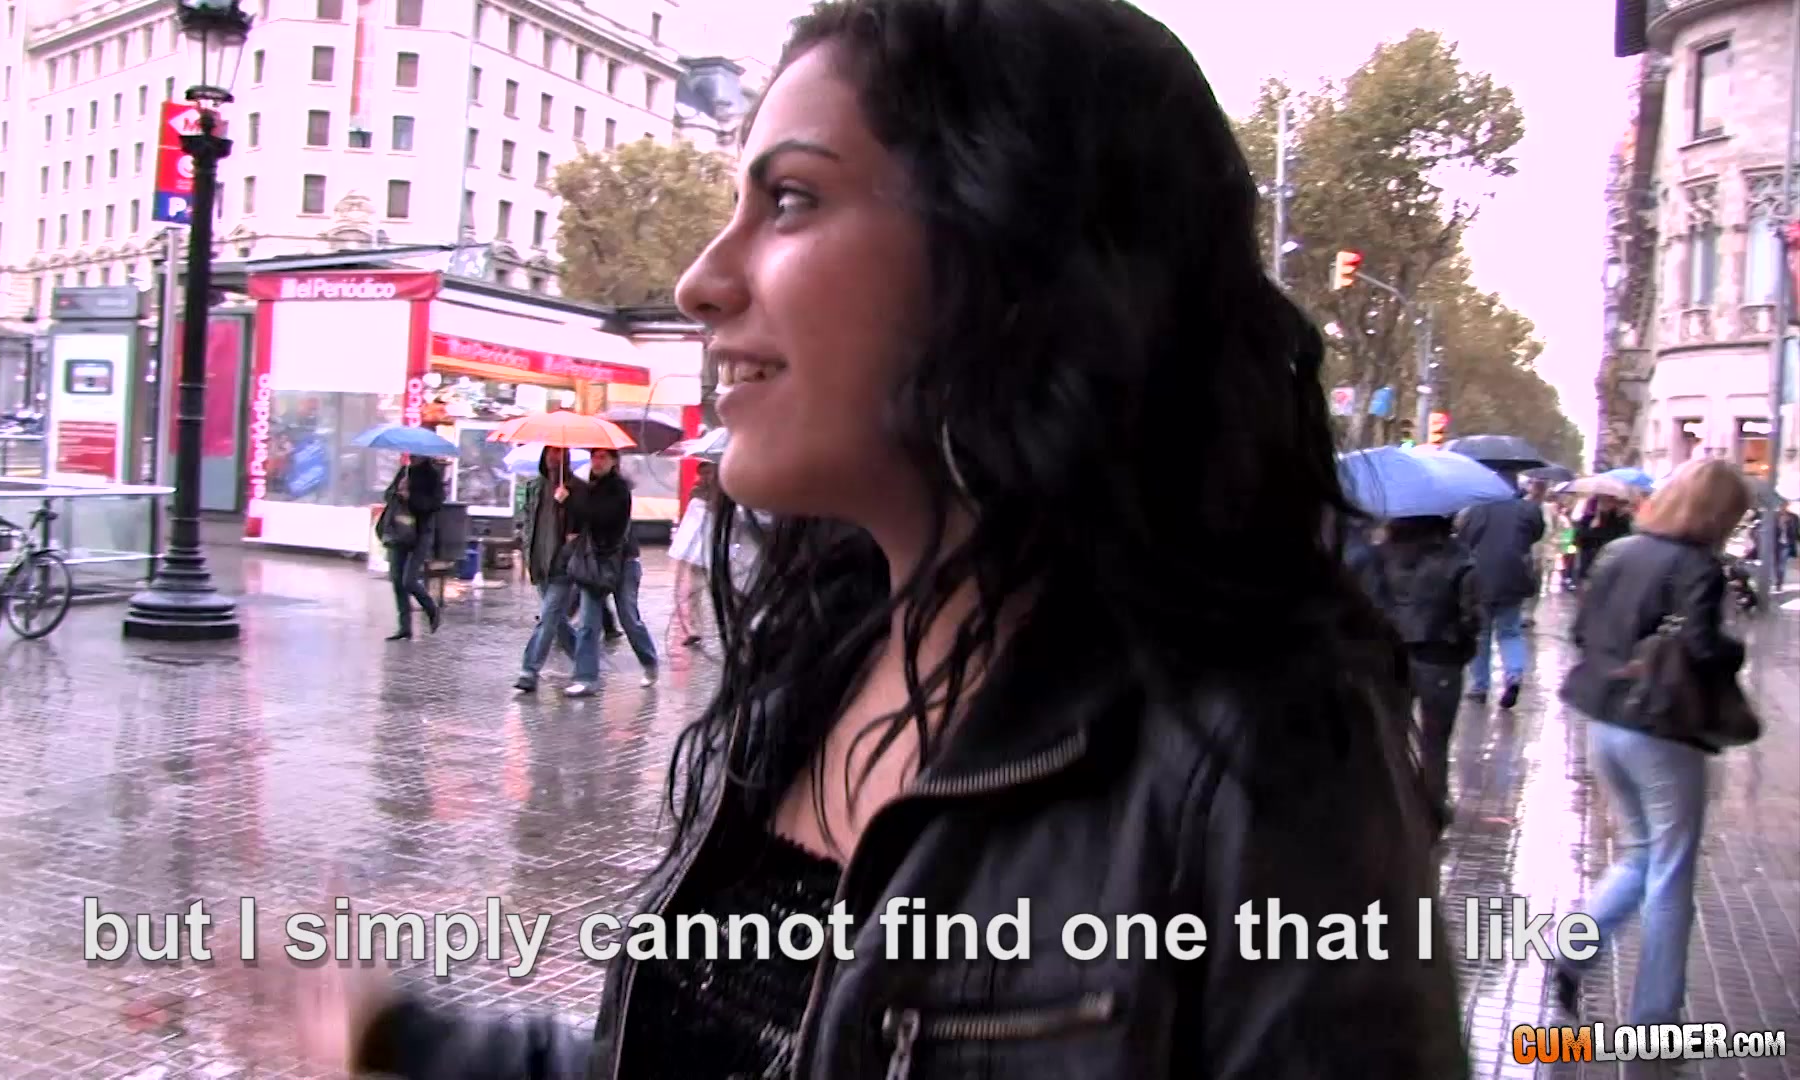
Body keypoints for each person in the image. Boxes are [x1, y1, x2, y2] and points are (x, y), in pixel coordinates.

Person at [296, 1, 1466, 1074]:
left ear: (1015, 250)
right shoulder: (818, 658)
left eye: (791, 200)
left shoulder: (1265, 752)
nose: (701, 280)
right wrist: (413, 1045)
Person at [1553, 458, 1752, 1028]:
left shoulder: (1620, 552)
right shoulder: (1699, 566)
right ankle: (1655, 1014)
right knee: (1670, 868)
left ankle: (1575, 949)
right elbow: (1704, 648)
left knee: (1644, 852)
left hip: (1605, 718)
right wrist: (1734, 649)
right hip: (1662, 728)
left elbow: (1582, 631)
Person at [1365, 515, 1479, 840]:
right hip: (1440, 659)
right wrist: (1460, 643)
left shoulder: (1382, 554)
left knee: (1392, 736)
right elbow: (1472, 616)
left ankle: (1390, 807)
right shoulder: (1459, 559)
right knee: (1435, 741)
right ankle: (1431, 809)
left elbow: (1372, 602)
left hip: (1392, 657)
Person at [565, 448, 659, 696]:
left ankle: (649, 661)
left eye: (602, 458)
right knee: (588, 624)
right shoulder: (586, 488)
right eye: (594, 457)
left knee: (628, 618)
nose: (596, 462)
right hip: (594, 563)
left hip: (623, 562)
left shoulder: (619, 489)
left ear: (614, 462)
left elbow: (603, 518)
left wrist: (573, 498)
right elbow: (579, 523)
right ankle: (586, 678)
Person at [1455, 476, 1546, 708]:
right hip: (1513, 576)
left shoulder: (1476, 510)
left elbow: (1464, 538)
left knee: (1481, 634)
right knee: (1510, 632)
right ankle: (1513, 675)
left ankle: (1480, 686)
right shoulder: (1527, 509)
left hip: (1481, 578)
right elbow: (1537, 532)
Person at [513, 446, 586, 693]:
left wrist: (569, 503)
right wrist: (526, 550)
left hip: (562, 565)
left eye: (559, 452)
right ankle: (585, 663)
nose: (554, 457)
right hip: (540, 562)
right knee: (557, 620)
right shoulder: (535, 487)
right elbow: (527, 522)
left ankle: (529, 671)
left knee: (547, 617)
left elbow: (584, 523)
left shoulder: (576, 488)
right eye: (550, 452)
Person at [380, 454, 444, 642]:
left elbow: (435, 504)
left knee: (409, 580)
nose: (413, 457)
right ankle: (404, 627)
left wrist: (411, 498)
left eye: (417, 455)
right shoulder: (405, 471)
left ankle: (431, 608)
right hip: (399, 532)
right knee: (397, 580)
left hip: (420, 534)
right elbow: (388, 495)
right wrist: (397, 492)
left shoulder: (432, 475)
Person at [668, 462, 719, 646]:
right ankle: (694, 629)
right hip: (698, 549)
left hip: (717, 548)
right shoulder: (696, 491)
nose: (705, 477)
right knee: (694, 590)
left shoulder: (724, 492)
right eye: (702, 473)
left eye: (708, 473)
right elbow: (691, 520)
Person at [1575, 495, 1633, 583]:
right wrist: (1591, 528)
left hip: (1609, 560)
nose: (1606, 504)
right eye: (1602, 501)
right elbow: (1579, 538)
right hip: (1589, 560)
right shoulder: (1589, 516)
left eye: (1609, 501)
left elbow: (1621, 536)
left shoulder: (1619, 518)